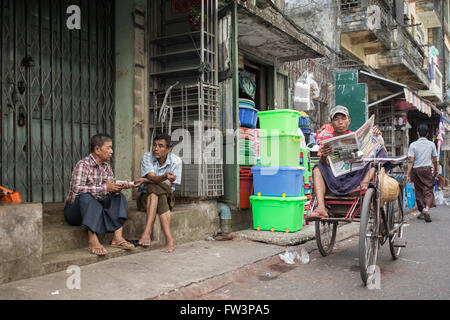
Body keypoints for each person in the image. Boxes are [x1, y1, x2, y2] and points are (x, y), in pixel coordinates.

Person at [307, 105, 386, 219]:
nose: (340, 122)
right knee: (317, 167)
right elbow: (324, 165)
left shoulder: (356, 136)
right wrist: (324, 156)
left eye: (343, 119)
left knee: (379, 153)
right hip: (337, 179)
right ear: (331, 123)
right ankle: (320, 207)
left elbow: (382, 151)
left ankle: (364, 184)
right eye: (336, 119)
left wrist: (378, 137)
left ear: (348, 121)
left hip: (357, 177)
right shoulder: (327, 141)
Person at [64, 134, 135, 256]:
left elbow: (109, 190)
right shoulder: (83, 165)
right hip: (75, 212)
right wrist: (104, 188)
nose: (111, 151)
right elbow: (77, 189)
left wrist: (120, 187)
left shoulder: (107, 167)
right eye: (108, 148)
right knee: (86, 196)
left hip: (97, 208)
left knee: (119, 197)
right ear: (97, 149)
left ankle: (117, 238)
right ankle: (93, 239)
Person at [134, 133, 182, 253]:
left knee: (155, 189)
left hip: (168, 198)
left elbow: (168, 185)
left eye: (161, 146)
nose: (156, 149)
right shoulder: (147, 157)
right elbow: (154, 178)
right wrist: (164, 176)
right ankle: (169, 240)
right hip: (145, 200)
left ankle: (147, 232)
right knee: (153, 189)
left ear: (168, 149)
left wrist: (145, 180)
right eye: (154, 145)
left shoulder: (176, 161)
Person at [406, 124, 438, 222]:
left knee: (419, 191)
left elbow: (411, 161)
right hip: (427, 169)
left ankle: (422, 211)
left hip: (416, 170)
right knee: (428, 190)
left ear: (418, 133)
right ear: (428, 134)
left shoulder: (413, 145)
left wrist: (407, 174)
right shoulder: (431, 144)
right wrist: (436, 170)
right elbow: (435, 160)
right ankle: (427, 208)